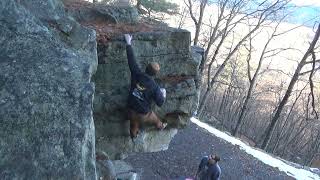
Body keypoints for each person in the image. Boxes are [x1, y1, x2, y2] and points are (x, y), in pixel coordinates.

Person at [124, 34, 167, 139]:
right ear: (155, 74)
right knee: (156, 120)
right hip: (144, 115)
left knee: (134, 123)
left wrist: (128, 43)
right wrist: (163, 94)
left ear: (146, 68)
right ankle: (161, 126)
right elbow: (160, 103)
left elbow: (131, 60)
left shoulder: (136, 73)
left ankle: (134, 135)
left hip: (130, 110)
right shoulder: (155, 87)